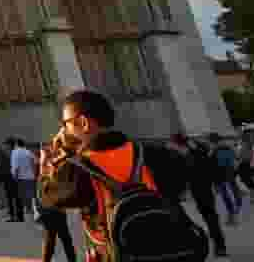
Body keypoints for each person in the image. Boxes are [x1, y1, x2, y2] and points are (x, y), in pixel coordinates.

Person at [38, 89, 190, 260]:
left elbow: (47, 199)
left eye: (66, 124)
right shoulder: (159, 154)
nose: (64, 131)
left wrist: (46, 166)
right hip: (175, 251)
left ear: (83, 123)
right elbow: (179, 188)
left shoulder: (76, 169)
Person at [170, 133, 228, 257]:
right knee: (211, 219)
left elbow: (193, 173)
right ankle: (219, 246)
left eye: (174, 145)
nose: (173, 148)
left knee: (210, 218)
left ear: (178, 145)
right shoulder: (194, 153)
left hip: (202, 191)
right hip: (201, 191)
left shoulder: (192, 155)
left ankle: (219, 246)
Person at [34, 144, 78, 262]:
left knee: (53, 238)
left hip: (50, 208)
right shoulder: (48, 168)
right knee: (62, 238)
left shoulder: (47, 168)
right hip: (53, 208)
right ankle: (71, 259)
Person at [207, 133, 241, 225]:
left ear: (211, 141)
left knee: (225, 193)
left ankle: (232, 213)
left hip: (219, 174)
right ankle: (237, 206)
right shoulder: (227, 146)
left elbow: (209, 162)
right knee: (233, 188)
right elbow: (237, 157)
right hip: (229, 171)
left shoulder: (213, 149)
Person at [10, 137, 37, 223]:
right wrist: (34, 173)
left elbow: (15, 167)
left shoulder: (15, 152)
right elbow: (35, 162)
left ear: (17, 144)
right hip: (31, 177)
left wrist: (15, 177)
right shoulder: (28, 152)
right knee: (32, 196)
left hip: (20, 178)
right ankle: (34, 213)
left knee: (21, 197)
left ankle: (24, 215)